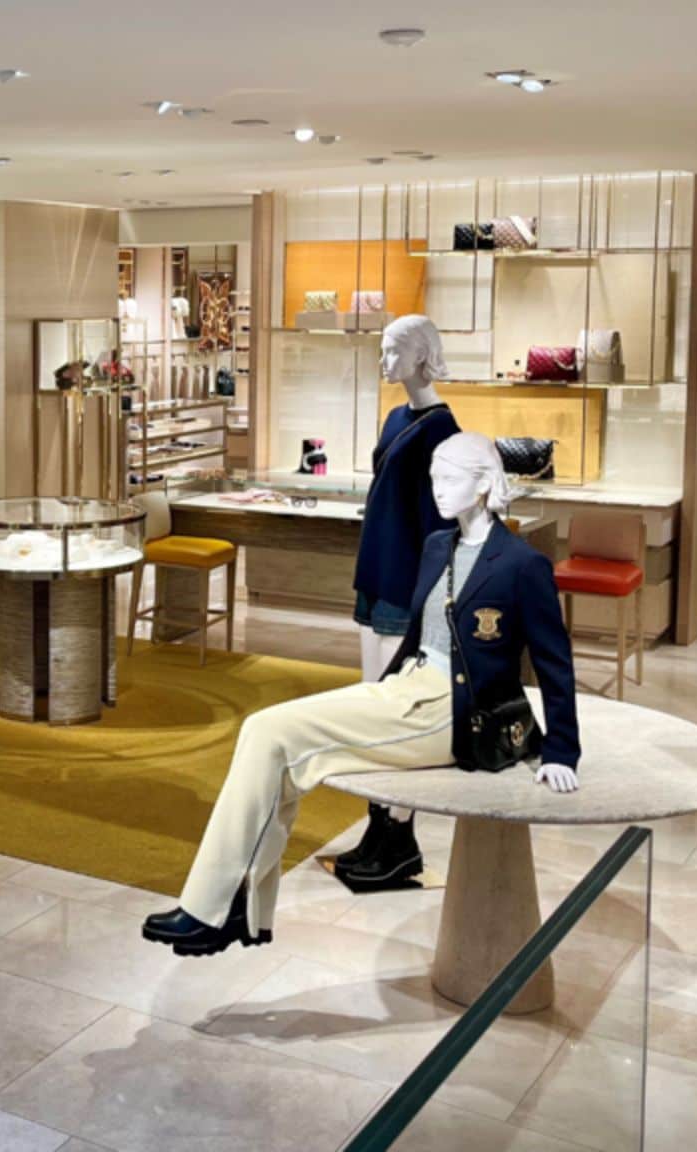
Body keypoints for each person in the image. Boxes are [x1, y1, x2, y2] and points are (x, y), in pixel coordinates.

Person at [143, 433, 580, 957]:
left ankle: (217, 910)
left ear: (485, 483)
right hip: (408, 688)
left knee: (275, 739)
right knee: (265, 732)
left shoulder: (520, 564)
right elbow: (417, 637)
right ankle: (230, 909)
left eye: (450, 478)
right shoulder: (436, 546)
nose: (438, 489)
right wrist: (382, 688)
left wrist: (561, 750)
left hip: (453, 711)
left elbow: (555, 662)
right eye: (434, 478)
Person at [341, 315, 461, 891]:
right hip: (376, 571)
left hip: (407, 581)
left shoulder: (443, 431)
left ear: (420, 356)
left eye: (393, 351)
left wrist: (433, 598)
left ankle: (399, 835)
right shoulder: (396, 418)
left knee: (398, 712)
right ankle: (378, 827)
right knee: (373, 708)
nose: (383, 361)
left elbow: (442, 523)